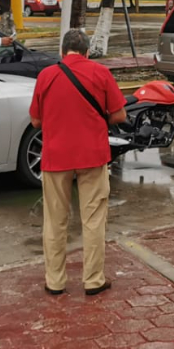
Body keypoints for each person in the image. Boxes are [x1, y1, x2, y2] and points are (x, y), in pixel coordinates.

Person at [30, 29, 127, 296]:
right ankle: (93, 280)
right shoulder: (100, 73)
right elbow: (119, 115)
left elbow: (36, 121)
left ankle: (55, 281)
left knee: (55, 220)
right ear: (86, 51)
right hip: (92, 155)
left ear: (62, 52)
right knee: (94, 219)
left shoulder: (46, 76)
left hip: (55, 156)